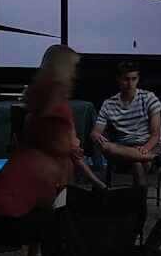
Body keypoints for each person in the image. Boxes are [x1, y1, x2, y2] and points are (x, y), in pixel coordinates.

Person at [0, 116, 67, 256]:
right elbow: (51, 204)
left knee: (45, 216)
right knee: (54, 222)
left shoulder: (22, 157)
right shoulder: (43, 164)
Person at [23, 44, 104, 188]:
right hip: (45, 162)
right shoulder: (52, 93)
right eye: (73, 66)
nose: (75, 72)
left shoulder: (43, 89)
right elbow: (54, 135)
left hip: (44, 158)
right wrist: (71, 145)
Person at [90, 59, 161, 187]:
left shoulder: (149, 98)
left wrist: (146, 148)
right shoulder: (109, 104)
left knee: (137, 163)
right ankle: (157, 160)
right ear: (118, 79)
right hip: (124, 149)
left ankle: (137, 204)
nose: (130, 84)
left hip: (149, 146)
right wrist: (95, 135)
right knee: (106, 147)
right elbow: (96, 131)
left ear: (138, 79)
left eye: (134, 79)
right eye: (126, 79)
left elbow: (155, 135)